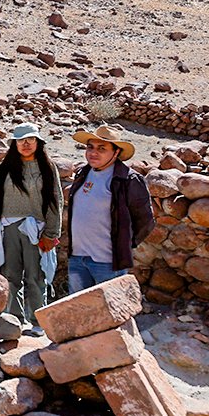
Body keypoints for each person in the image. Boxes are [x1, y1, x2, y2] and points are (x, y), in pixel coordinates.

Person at [0, 123, 63, 331]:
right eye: (21, 140)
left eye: (30, 140)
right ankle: (14, 320)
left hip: (36, 229)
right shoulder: (6, 168)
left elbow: (56, 201)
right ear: (14, 144)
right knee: (10, 274)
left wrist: (52, 233)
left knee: (36, 276)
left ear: (38, 142)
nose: (26, 144)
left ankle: (38, 322)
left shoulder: (47, 167)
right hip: (9, 226)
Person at [65, 124, 154, 294]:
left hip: (107, 261)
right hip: (77, 257)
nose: (93, 152)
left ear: (116, 152)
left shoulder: (128, 180)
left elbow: (145, 221)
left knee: (113, 312)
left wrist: (125, 244)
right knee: (79, 311)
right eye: (90, 147)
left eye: (101, 148)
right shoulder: (83, 173)